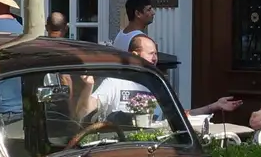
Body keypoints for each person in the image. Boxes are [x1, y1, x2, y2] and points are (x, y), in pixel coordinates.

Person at [73, 35, 240, 122]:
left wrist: (214, 106)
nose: (155, 58)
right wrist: (88, 87)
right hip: (123, 151)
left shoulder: (158, 84)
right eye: (151, 53)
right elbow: (83, 113)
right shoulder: (114, 83)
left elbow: (180, 116)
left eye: (156, 54)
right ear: (135, 55)